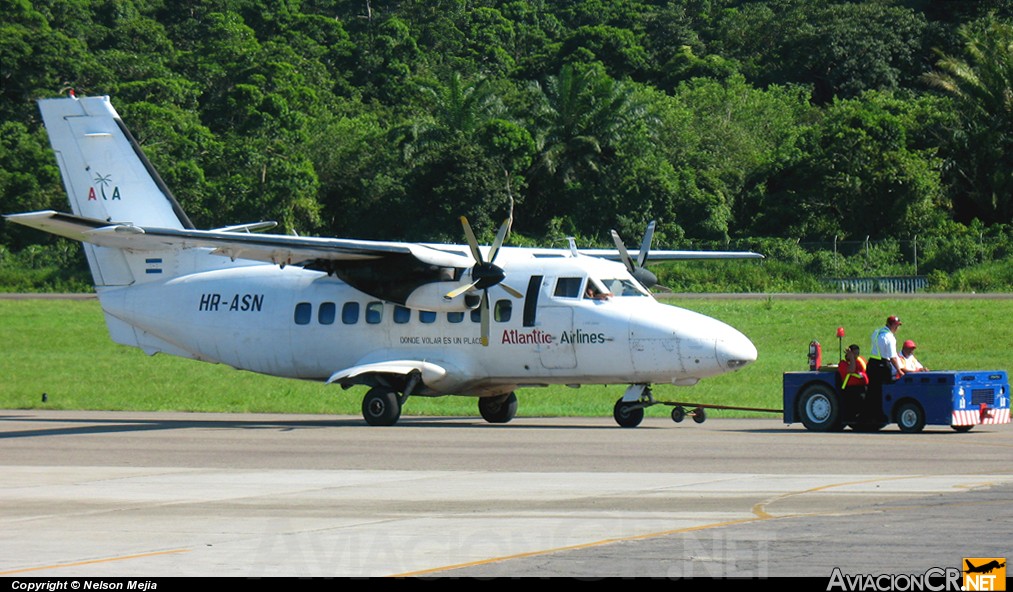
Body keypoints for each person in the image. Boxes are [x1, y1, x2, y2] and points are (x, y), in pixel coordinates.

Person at [866, 315, 905, 424]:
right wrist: (899, 370)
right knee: (883, 392)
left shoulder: (877, 332)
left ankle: (870, 416)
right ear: (892, 325)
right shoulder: (890, 337)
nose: (897, 328)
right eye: (897, 326)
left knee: (872, 391)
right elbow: (892, 357)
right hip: (882, 365)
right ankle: (881, 415)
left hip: (872, 363)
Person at [837, 344, 868, 421]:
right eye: (854, 354)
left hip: (863, 387)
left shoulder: (860, 361)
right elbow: (851, 370)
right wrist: (851, 358)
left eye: (857, 354)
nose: (856, 356)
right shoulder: (843, 364)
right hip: (851, 389)